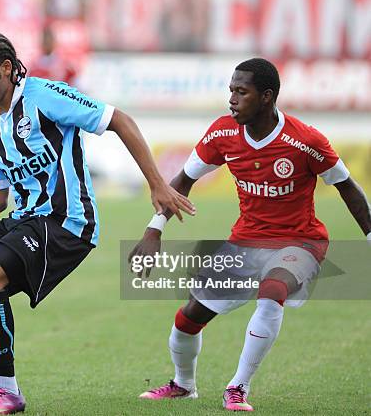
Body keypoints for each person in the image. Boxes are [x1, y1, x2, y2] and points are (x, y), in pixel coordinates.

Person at [0, 30, 195, 415]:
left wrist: (157, 184)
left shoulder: (44, 96)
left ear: (6, 69)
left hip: (67, 222)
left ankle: (6, 390)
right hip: (22, 220)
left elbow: (118, 119)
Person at [130, 58, 370, 411]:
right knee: (188, 318)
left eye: (242, 92)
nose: (232, 99)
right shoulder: (223, 133)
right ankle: (183, 384)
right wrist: (154, 229)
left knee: (272, 290)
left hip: (300, 241)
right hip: (245, 241)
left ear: (267, 97)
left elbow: (348, 188)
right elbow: (182, 181)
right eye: (231, 91)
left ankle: (238, 387)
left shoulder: (305, 140)